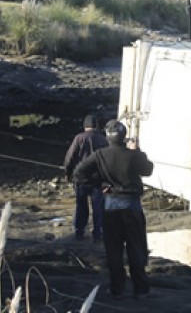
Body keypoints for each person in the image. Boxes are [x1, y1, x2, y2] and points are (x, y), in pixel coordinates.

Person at [74, 119, 154, 299]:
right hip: (131, 204)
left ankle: (117, 288)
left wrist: (99, 183)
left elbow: (79, 172)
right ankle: (140, 288)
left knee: (113, 249)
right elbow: (148, 170)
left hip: (110, 204)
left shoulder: (99, 154)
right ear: (124, 136)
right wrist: (137, 151)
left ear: (107, 136)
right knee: (135, 247)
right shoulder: (133, 155)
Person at [63, 114, 108, 242]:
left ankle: (79, 232)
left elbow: (70, 157)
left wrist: (68, 172)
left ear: (85, 126)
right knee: (98, 207)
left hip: (80, 178)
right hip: (98, 179)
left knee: (81, 205)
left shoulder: (79, 138)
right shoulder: (103, 139)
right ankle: (98, 232)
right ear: (96, 126)